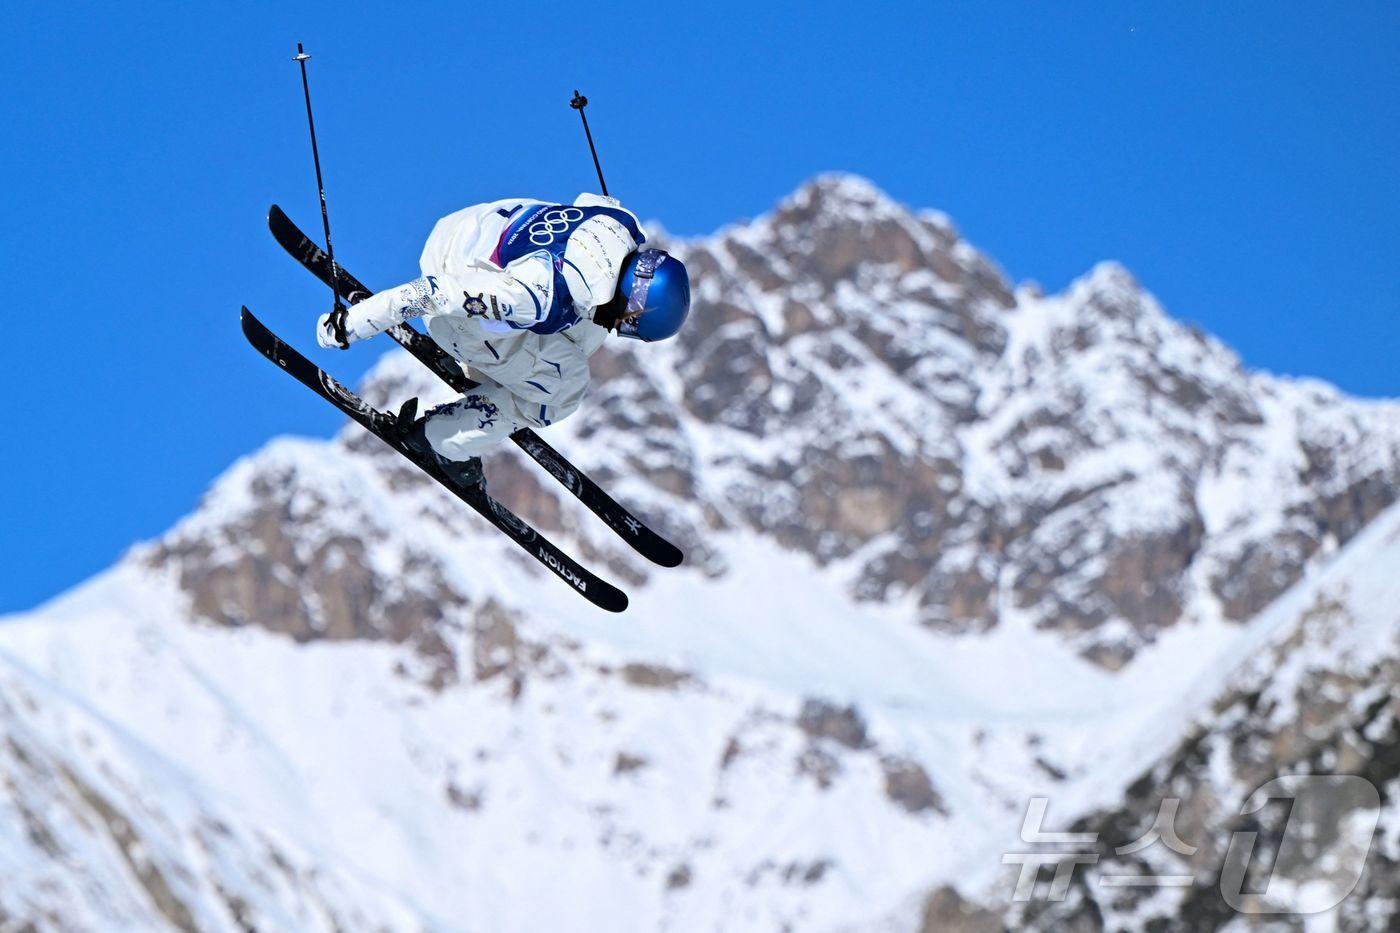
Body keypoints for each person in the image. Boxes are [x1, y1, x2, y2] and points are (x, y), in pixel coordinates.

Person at [315, 194, 691, 486]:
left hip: (464, 232)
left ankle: (495, 369)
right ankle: (444, 441)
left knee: (587, 331)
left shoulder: (617, 224)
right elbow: (435, 293)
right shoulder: (535, 293)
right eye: (629, 323)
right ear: (634, 300)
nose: (619, 329)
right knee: (566, 390)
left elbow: (593, 201)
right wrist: (353, 324)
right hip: (454, 303)